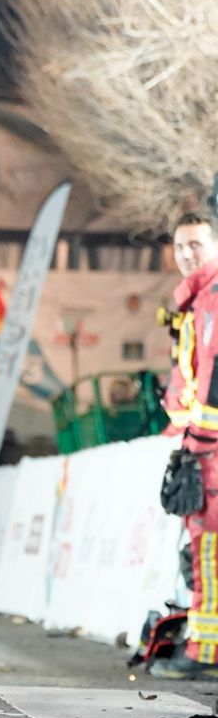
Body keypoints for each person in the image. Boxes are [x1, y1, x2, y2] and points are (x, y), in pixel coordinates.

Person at [152, 211, 218, 679]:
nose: (186, 254)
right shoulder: (198, 299)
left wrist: (199, 439)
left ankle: (206, 652)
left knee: (209, 549)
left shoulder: (212, 298)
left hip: (210, 449)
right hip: (200, 443)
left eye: (196, 244)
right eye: (179, 247)